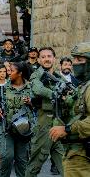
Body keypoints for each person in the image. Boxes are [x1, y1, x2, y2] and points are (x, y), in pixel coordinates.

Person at [49, 42, 90, 177]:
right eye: (74, 59)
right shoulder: (82, 87)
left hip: (83, 156)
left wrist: (67, 129)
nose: (74, 63)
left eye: (79, 59)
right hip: (74, 153)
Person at [25, 47, 65, 177]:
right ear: (39, 60)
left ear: (54, 58)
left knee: (66, 164)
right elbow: (38, 89)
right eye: (43, 57)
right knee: (35, 165)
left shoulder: (59, 77)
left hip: (59, 123)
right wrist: (55, 94)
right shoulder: (37, 75)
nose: (46, 59)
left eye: (49, 56)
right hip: (44, 125)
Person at [0, 62, 33, 177]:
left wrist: (31, 102)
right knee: (6, 156)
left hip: (24, 130)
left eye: (11, 71)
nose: (8, 73)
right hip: (7, 129)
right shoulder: (3, 88)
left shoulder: (31, 87)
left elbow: (39, 106)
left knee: (22, 160)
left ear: (20, 73)